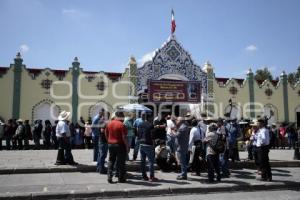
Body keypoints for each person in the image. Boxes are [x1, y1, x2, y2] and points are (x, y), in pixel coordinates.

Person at [105, 111, 129, 183]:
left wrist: (109, 141)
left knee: (111, 160)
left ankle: (109, 176)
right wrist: (127, 146)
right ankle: (121, 178)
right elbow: (124, 137)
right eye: (123, 116)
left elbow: (106, 134)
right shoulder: (122, 125)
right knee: (121, 162)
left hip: (111, 144)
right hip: (120, 145)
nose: (124, 118)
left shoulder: (109, 123)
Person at [137, 112, 158, 181]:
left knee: (143, 161)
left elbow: (138, 134)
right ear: (149, 118)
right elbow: (153, 136)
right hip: (149, 144)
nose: (152, 119)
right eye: (151, 118)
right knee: (151, 161)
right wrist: (154, 144)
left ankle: (144, 176)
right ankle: (151, 177)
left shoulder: (140, 124)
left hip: (141, 144)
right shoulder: (150, 125)